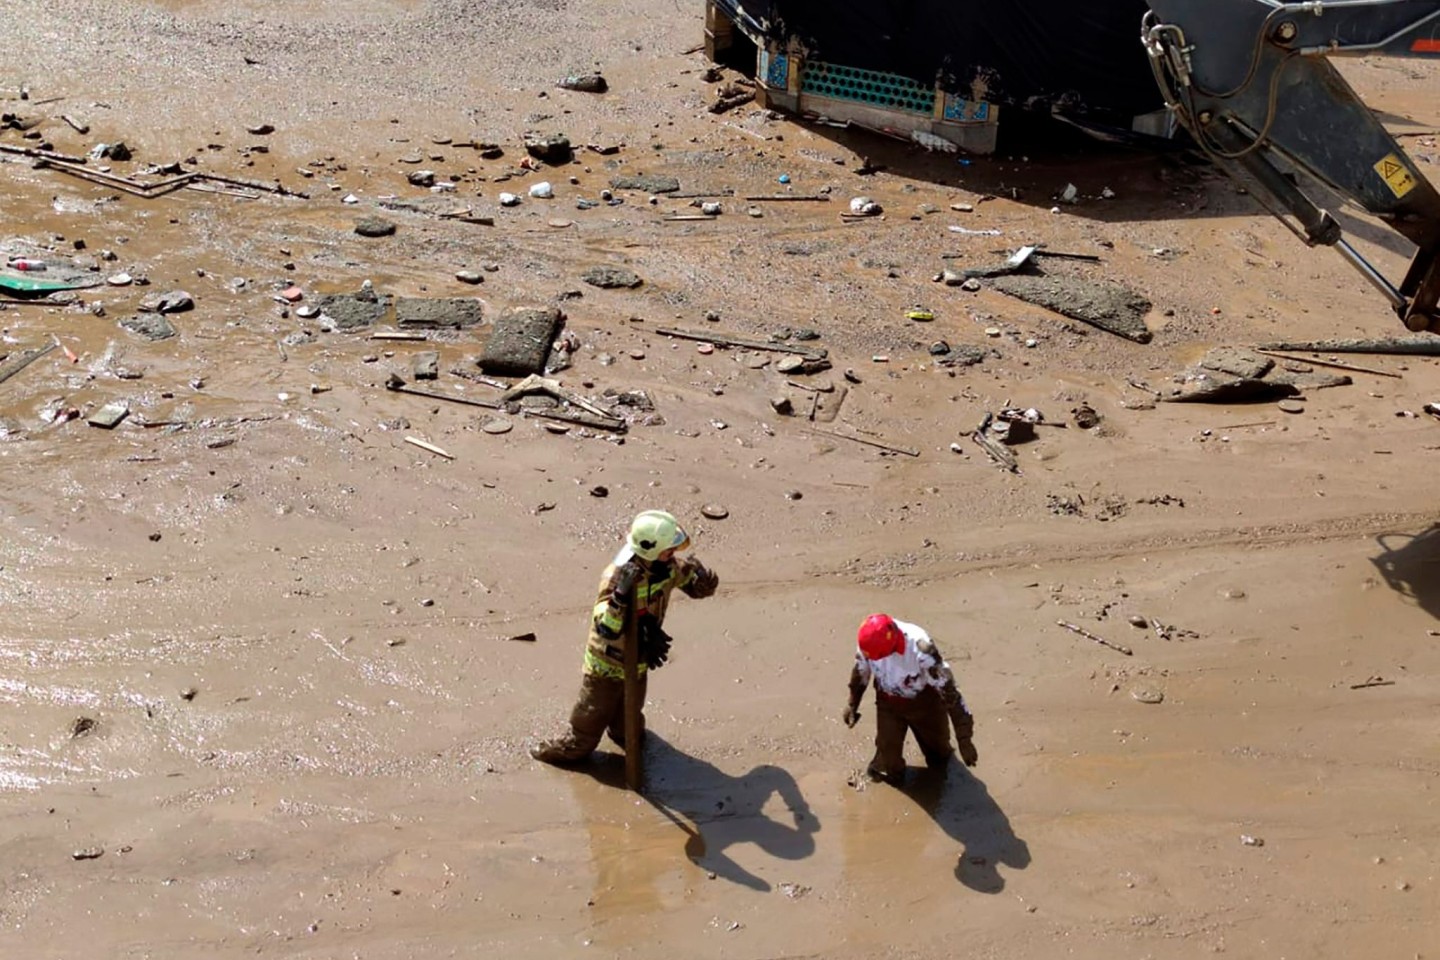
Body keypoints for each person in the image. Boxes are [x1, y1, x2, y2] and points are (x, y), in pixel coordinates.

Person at [531, 510, 719, 765]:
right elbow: (605, 627)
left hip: (639, 657)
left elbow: (689, 584)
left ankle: (624, 735)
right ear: (651, 551)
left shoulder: (667, 567)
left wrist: (703, 585)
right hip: (607, 663)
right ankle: (554, 752)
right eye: (668, 550)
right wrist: (620, 596)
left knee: (630, 725)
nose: (672, 555)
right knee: (588, 724)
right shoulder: (617, 576)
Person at [842, 613, 978, 784]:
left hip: (925, 704)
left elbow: (950, 693)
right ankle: (891, 779)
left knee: (940, 755)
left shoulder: (921, 647)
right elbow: (860, 671)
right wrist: (852, 703)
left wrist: (964, 738)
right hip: (888, 701)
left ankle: (938, 784)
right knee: (887, 756)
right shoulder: (868, 641)